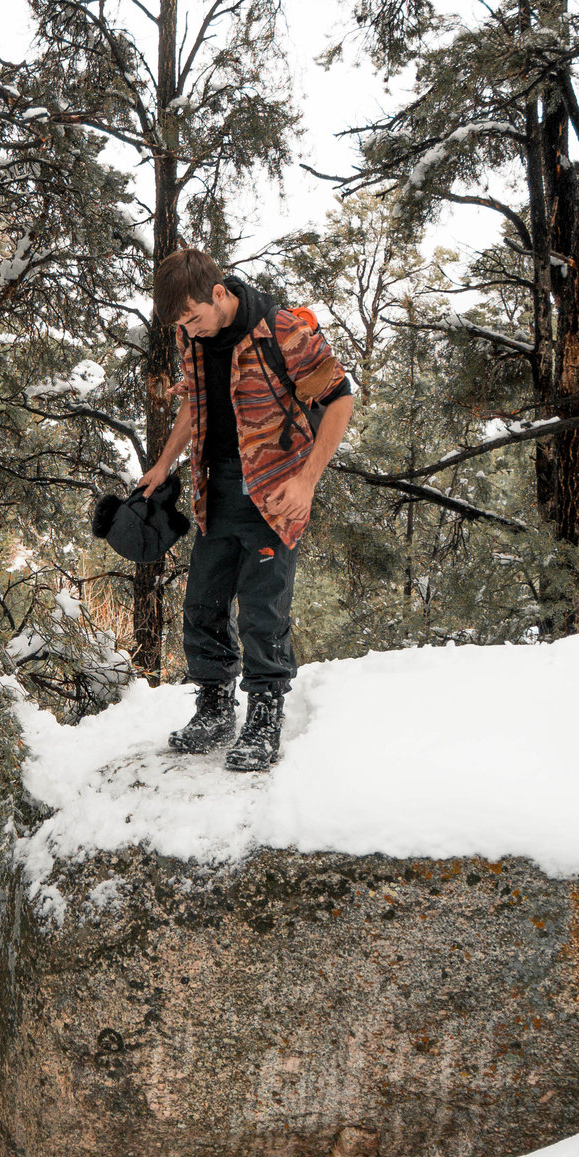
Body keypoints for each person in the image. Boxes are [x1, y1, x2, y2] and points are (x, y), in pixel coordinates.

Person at [136, 248, 354, 771]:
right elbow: (197, 402)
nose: (188, 330)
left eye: (192, 317)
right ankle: (214, 708)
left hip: (276, 493)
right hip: (219, 490)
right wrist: (164, 464)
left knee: (262, 611)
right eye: (180, 324)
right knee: (203, 604)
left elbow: (341, 398)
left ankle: (264, 715)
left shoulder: (282, 331)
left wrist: (306, 482)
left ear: (219, 293)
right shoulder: (195, 339)